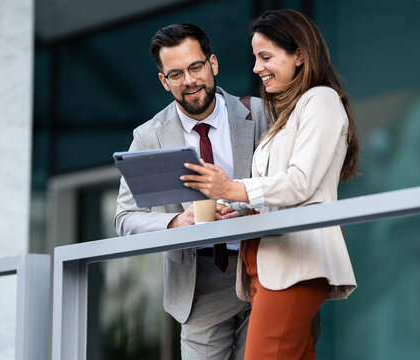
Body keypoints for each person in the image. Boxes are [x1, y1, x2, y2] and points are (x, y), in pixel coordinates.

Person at [181, 9, 360, 359]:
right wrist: (243, 211)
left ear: (299, 55)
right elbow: (281, 192)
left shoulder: (321, 101)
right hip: (266, 266)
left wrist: (232, 189)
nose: (256, 67)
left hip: (294, 266)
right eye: (255, 57)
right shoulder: (287, 114)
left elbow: (301, 183)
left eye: (266, 57)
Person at [114, 23, 267, 359]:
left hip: (262, 266)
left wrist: (243, 204)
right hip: (198, 282)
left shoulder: (260, 113)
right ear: (163, 81)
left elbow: (285, 187)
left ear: (213, 63)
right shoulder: (148, 136)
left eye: (196, 67)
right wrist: (173, 224)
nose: (189, 81)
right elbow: (125, 218)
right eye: (176, 74)